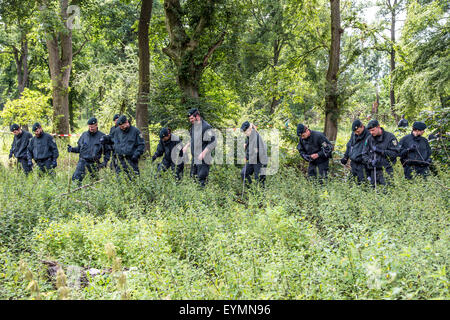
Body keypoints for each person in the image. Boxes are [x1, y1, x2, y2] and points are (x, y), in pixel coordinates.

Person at [67, 117, 111, 184]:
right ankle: (76, 192)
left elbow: (108, 151)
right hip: (82, 161)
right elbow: (79, 148)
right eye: (90, 127)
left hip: (94, 163)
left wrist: (105, 162)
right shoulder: (84, 135)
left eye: (92, 127)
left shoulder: (102, 136)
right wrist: (72, 149)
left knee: (95, 182)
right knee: (76, 179)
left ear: (96, 125)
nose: (91, 128)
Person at [182, 108, 217, 187]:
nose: (190, 120)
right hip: (195, 158)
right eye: (189, 119)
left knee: (201, 180)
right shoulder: (193, 126)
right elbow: (192, 139)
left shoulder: (206, 127)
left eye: (192, 118)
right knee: (193, 178)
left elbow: (213, 142)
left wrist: (203, 153)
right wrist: (186, 146)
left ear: (197, 116)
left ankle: (203, 198)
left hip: (204, 159)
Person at [362, 119, 399, 186]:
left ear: (378, 127)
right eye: (369, 131)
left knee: (387, 191)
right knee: (374, 192)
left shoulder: (390, 137)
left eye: (373, 130)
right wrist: (370, 161)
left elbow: (395, 153)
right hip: (373, 170)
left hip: (386, 170)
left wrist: (381, 151)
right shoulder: (369, 139)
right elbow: (364, 154)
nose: (371, 132)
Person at [112, 115, 145, 179]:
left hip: (131, 159)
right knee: (120, 178)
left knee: (134, 178)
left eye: (123, 126)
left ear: (127, 122)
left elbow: (141, 145)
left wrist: (136, 154)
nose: (122, 128)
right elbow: (113, 140)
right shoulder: (117, 131)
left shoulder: (136, 131)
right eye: (120, 127)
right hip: (120, 160)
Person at [340, 120, 371, 184]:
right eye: (355, 132)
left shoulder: (369, 135)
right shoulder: (354, 134)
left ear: (362, 127)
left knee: (362, 184)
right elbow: (349, 145)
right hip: (354, 163)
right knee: (350, 183)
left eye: (358, 131)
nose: (356, 133)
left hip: (363, 165)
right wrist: (346, 157)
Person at [240, 121, 268, 187]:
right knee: (244, 173)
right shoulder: (249, 136)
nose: (244, 133)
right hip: (253, 159)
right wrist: (246, 147)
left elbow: (256, 151)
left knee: (259, 180)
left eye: (245, 131)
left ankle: (260, 195)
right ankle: (251, 191)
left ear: (249, 129)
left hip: (260, 160)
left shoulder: (255, 136)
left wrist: (247, 156)